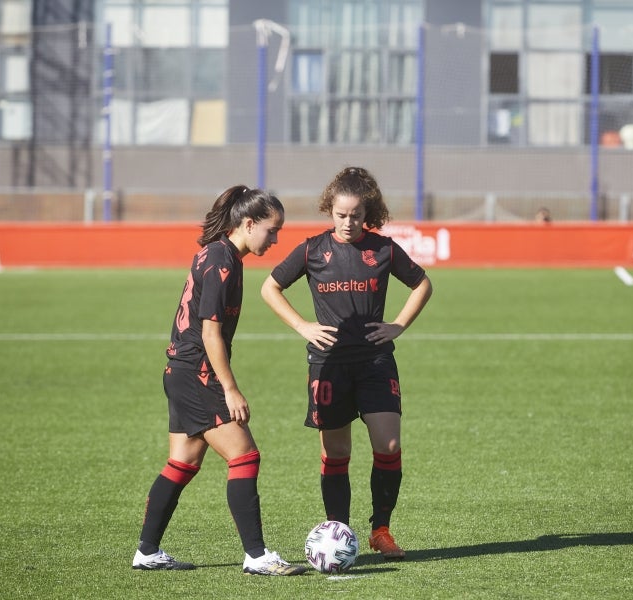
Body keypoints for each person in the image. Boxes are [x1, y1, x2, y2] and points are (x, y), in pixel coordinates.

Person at [133, 185, 307, 576]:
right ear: (248, 223)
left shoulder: (224, 255)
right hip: (197, 373)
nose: (276, 239)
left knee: (183, 462)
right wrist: (230, 389)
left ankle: (147, 551)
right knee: (245, 456)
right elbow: (210, 331)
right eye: (272, 230)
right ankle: (258, 556)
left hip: (181, 371)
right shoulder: (221, 259)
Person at [261, 166, 433, 561]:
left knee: (388, 445)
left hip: (375, 360)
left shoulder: (384, 249)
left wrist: (398, 325)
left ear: (366, 211)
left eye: (356, 214)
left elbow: (423, 283)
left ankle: (381, 530)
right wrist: (302, 325)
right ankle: (337, 530)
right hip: (329, 364)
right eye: (341, 214)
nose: (348, 222)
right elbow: (270, 287)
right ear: (329, 210)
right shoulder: (312, 249)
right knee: (337, 454)